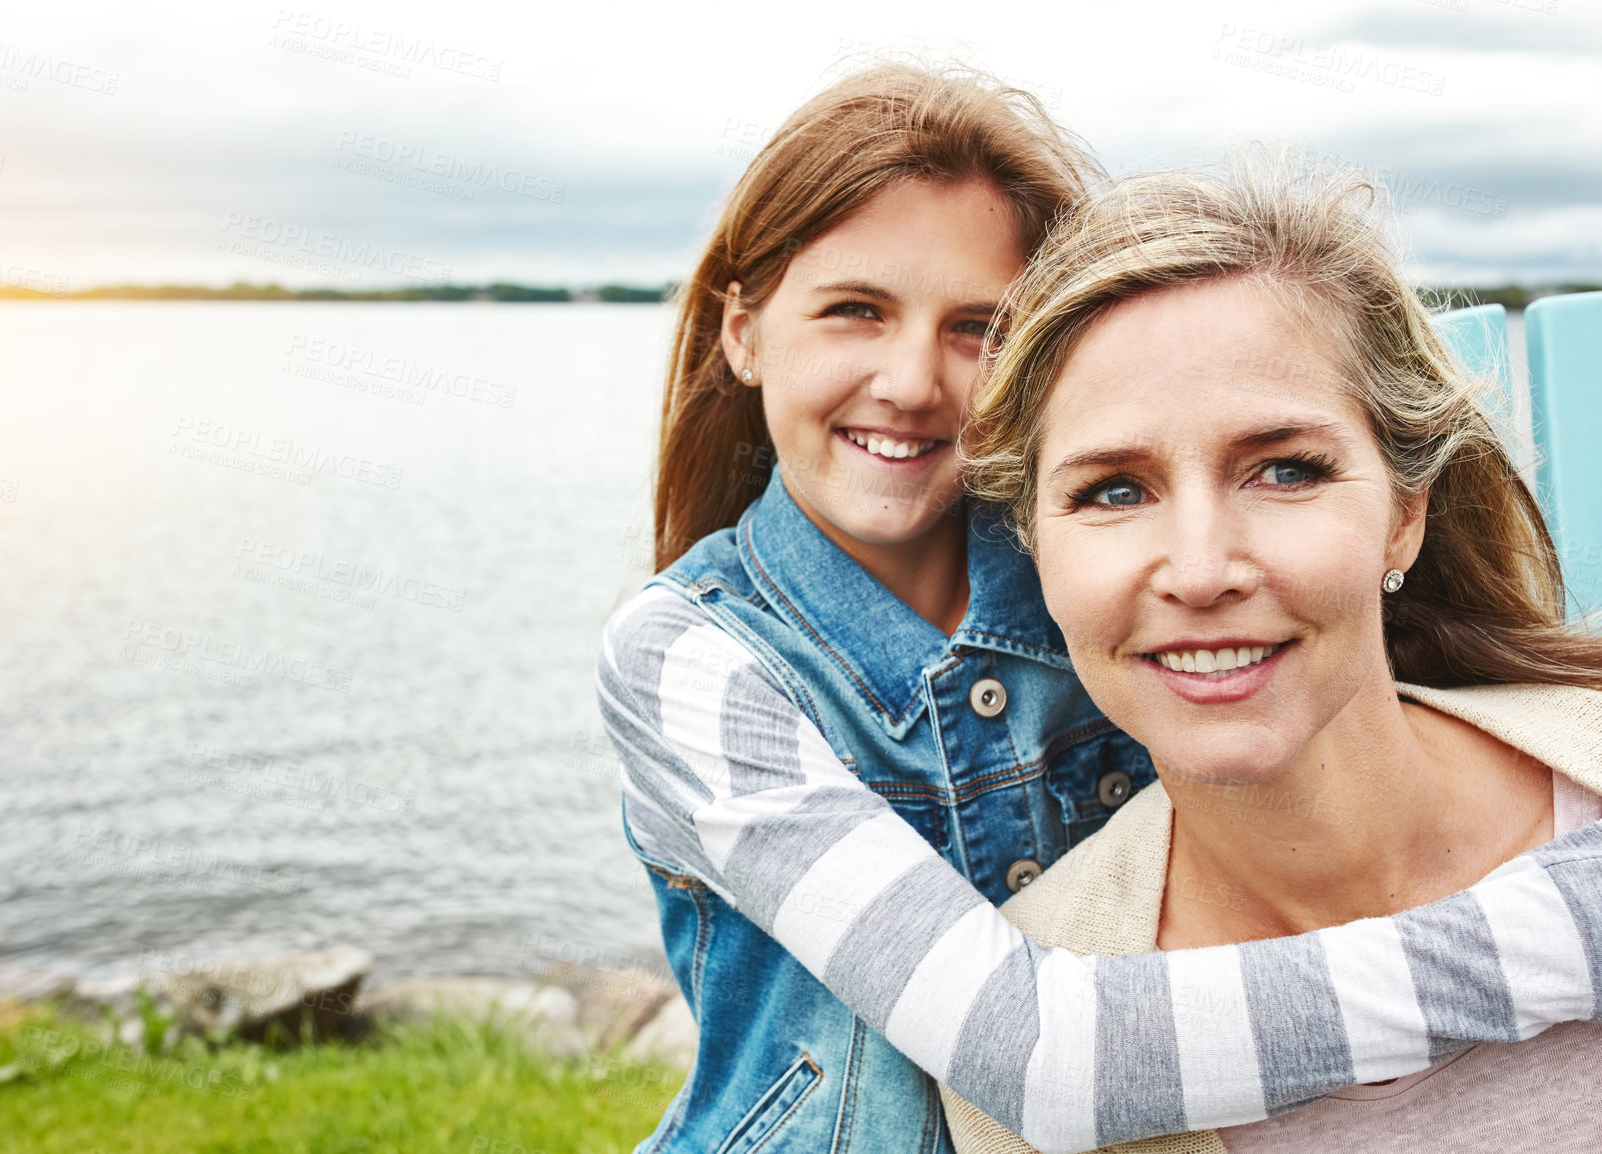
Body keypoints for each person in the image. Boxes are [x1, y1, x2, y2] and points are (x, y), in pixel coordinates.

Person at [598, 67, 1602, 1153]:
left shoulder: (1102, 563)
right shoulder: (687, 655)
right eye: (855, 310)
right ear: (741, 330)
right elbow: (1035, 1052)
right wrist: (1553, 931)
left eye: (976, 325)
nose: (909, 380)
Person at [940, 157, 1602, 1154]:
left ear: (1403, 514)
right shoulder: (1021, 1044)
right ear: (1036, 547)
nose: (1200, 570)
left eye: (1284, 469)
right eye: (1114, 491)